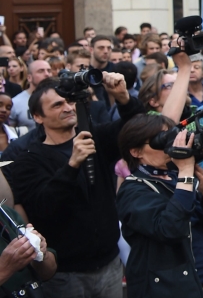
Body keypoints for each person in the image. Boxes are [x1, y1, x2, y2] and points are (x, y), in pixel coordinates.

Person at [7, 71, 142, 296]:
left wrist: (124, 98)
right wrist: (72, 165)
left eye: (70, 101)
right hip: (65, 275)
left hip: (109, 264)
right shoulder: (28, 159)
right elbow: (44, 207)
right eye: (57, 105)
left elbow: (137, 129)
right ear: (37, 117)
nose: (68, 108)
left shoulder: (94, 137)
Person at [117, 115, 203, 298]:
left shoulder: (176, 177)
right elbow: (170, 228)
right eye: (162, 140)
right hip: (169, 289)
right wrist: (185, 173)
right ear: (136, 151)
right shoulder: (132, 190)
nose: (172, 145)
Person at [9, 60, 52, 132]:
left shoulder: (60, 98)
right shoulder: (15, 102)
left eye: (49, 71)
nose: (47, 74)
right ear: (29, 77)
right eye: (41, 71)